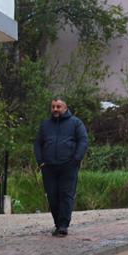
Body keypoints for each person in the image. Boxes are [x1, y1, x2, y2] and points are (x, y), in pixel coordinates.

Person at [34, 96, 90, 236]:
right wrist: (40, 162)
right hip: (49, 167)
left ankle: (63, 225)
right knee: (52, 196)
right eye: (53, 106)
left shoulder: (75, 123)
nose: (55, 109)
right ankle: (58, 224)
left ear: (65, 108)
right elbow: (38, 143)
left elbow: (83, 141)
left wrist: (76, 159)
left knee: (66, 195)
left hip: (68, 166)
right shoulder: (45, 125)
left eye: (58, 107)